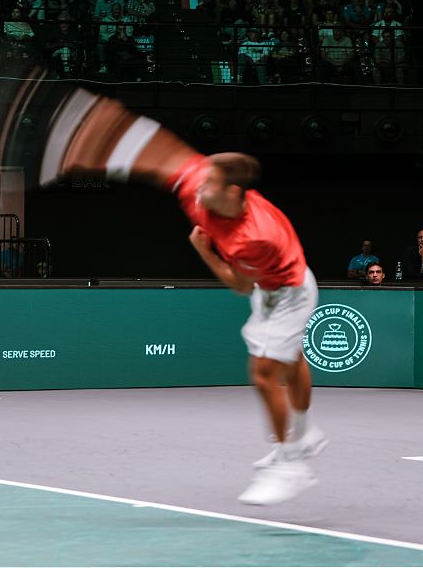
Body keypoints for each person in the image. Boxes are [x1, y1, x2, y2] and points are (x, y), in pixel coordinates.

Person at [36, 92, 328, 505]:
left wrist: (203, 249)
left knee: (264, 370)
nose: (197, 189)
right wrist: (95, 141)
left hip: (290, 291)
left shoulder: (254, 236)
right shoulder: (202, 183)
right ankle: (306, 431)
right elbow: (157, 154)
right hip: (273, 284)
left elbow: (241, 286)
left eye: (208, 184)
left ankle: (290, 465)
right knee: (290, 355)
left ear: (232, 192)